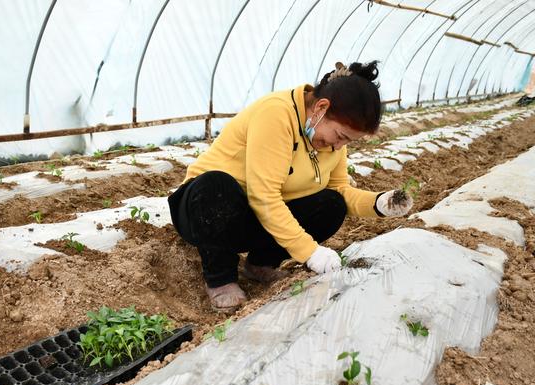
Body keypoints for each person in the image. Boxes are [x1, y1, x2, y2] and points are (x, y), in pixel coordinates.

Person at [168, 61, 412, 311]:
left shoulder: (330, 139)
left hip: (252, 217)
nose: (339, 147)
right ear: (321, 108)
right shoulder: (276, 114)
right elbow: (264, 197)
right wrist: (310, 253)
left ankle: (260, 264)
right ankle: (220, 279)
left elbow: (339, 190)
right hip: (204, 212)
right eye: (340, 136)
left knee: (331, 205)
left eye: (347, 141)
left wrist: (379, 203)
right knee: (216, 185)